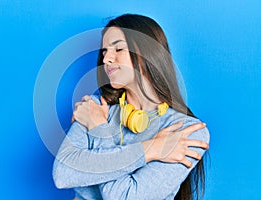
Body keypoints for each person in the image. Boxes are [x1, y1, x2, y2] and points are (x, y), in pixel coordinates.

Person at [53, 14, 210, 200]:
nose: (106, 59)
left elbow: (124, 197)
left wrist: (98, 129)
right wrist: (151, 149)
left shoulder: (186, 132)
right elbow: (62, 174)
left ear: (148, 53)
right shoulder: (94, 107)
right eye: (104, 51)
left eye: (118, 48)